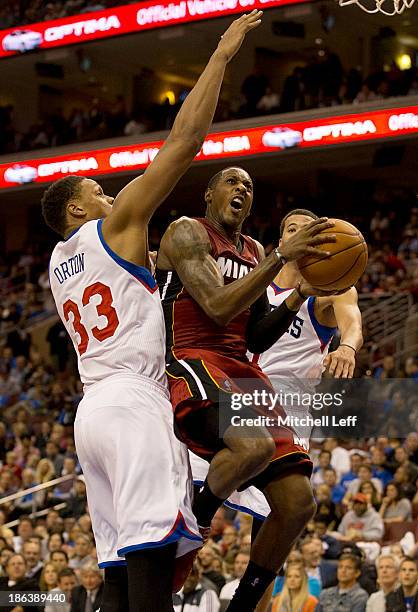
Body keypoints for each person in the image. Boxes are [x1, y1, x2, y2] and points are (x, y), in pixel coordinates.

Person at [43, 12, 263, 612]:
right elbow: (184, 144)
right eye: (95, 189)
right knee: (153, 564)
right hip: (134, 403)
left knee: (116, 571)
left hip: (91, 413)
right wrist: (221, 54)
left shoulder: (58, 266)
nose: (109, 193)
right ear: (73, 211)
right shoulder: (113, 227)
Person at [157, 179, 339, 611]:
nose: (242, 190)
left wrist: (296, 296)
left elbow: (256, 334)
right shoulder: (187, 231)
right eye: (231, 182)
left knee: (298, 505)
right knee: (252, 446)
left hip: (242, 366)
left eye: (250, 186)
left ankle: (243, 606)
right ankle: (195, 527)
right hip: (192, 356)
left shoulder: (256, 252)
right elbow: (218, 307)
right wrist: (281, 259)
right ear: (209, 194)